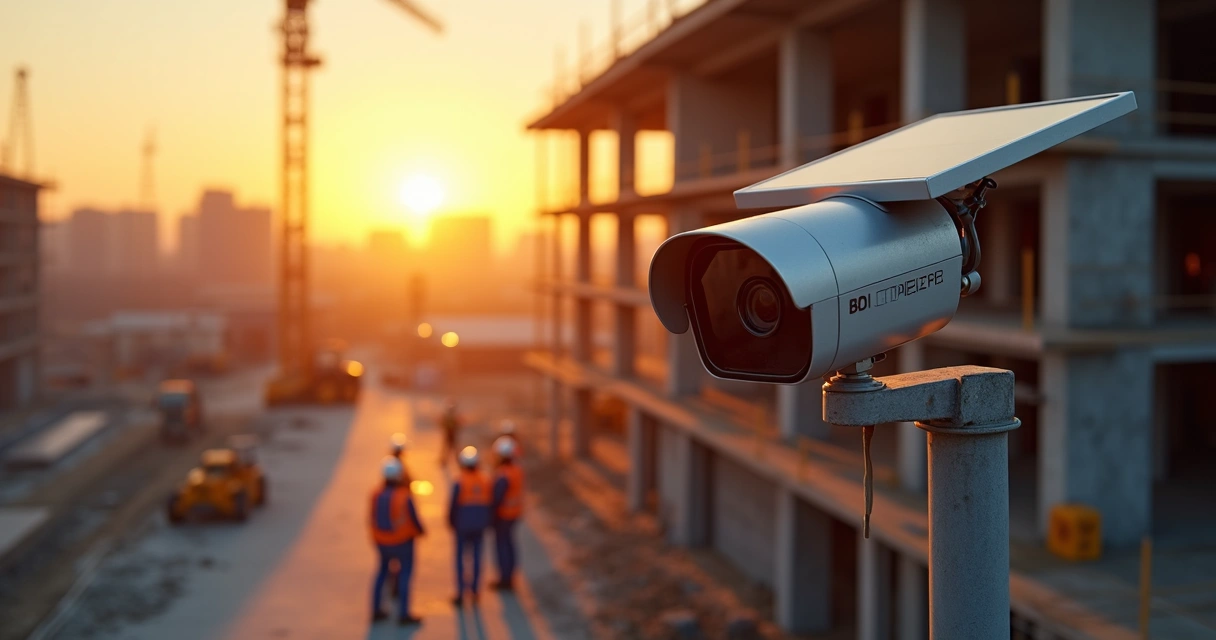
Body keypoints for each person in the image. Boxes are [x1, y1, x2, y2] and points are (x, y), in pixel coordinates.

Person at [369, 456, 424, 626]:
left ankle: (376, 610)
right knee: (405, 574)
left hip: (382, 542)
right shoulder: (404, 496)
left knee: (382, 572)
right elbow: (413, 517)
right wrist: (421, 531)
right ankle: (403, 613)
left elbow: (371, 517)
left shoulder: (375, 494)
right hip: (402, 542)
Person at [448, 446, 492, 606]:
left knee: (461, 558)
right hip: (479, 525)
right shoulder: (485, 480)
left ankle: (460, 593)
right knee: (477, 557)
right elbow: (490, 504)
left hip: (462, 526)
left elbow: (453, 505)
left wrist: (451, 521)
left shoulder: (460, 481)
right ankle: (475, 591)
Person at [490, 435, 523, 591]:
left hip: (503, 515)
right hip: (515, 513)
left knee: (502, 546)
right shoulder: (517, 470)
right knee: (510, 544)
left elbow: (496, 497)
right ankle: (510, 576)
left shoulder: (503, 474)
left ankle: (505, 579)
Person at [440, 400, 460, 465]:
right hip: (450, 433)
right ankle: (444, 460)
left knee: (450, 448)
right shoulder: (450, 416)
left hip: (451, 433)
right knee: (449, 448)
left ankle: (444, 460)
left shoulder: (450, 416)